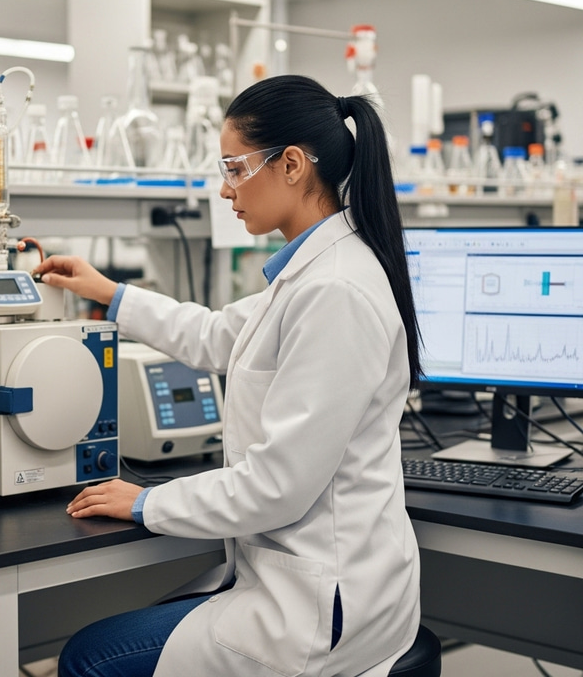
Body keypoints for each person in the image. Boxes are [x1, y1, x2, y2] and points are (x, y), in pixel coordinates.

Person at [34, 74, 422, 677]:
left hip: (323, 610)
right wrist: (108, 293)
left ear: (292, 165)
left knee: (89, 658)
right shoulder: (311, 272)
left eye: (236, 168)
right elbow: (218, 334)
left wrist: (147, 501)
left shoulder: (335, 289)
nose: (224, 189)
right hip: (304, 580)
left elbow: (277, 486)